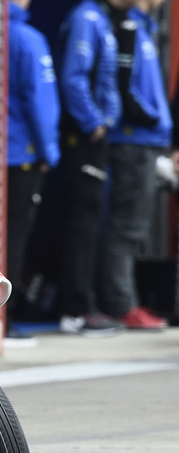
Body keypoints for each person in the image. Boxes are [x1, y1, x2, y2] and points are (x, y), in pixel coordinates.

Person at [54, 0, 137, 336]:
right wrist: (93, 123)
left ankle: (81, 307)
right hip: (85, 135)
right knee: (83, 224)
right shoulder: (86, 18)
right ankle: (75, 311)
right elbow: (74, 78)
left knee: (88, 222)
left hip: (94, 134)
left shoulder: (100, 18)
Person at [99, 0, 172, 329]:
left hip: (147, 140)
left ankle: (123, 302)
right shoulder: (127, 29)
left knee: (133, 226)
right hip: (133, 140)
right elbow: (123, 84)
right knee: (125, 226)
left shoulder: (144, 28)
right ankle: (121, 305)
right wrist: (149, 117)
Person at [5, 0, 61, 342]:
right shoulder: (28, 39)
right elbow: (41, 101)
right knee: (16, 237)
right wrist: (49, 153)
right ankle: (6, 320)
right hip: (23, 155)